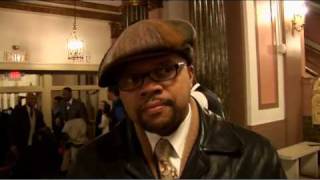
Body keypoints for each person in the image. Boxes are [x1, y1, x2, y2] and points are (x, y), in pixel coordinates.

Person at [68, 19, 285, 178]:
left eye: (164, 71)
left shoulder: (253, 156)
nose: (150, 87)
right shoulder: (91, 164)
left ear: (190, 75)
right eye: (133, 79)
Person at [9, 92, 48, 178]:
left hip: (33, 144)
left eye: (34, 99)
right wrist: (12, 144)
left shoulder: (38, 113)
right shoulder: (19, 111)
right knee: (21, 166)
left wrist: (43, 130)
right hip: (21, 143)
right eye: (31, 99)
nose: (33, 101)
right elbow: (12, 128)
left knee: (32, 165)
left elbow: (41, 125)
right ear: (27, 100)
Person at [60, 87, 88, 172]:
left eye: (65, 93)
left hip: (76, 135)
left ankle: (77, 171)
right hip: (66, 134)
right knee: (66, 154)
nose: (63, 95)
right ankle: (67, 171)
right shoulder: (61, 103)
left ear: (70, 93)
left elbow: (84, 119)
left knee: (75, 156)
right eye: (63, 94)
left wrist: (80, 131)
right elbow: (60, 116)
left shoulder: (79, 104)